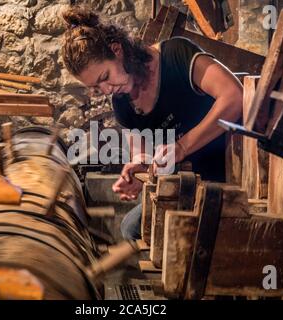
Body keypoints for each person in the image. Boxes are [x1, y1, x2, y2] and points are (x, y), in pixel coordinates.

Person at [61, 7, 243, 240]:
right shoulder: (123, 105)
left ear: (117, 50)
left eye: (105, 77)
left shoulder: (176, 55)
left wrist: (182, 147)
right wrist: (140, 173)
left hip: (231, 174)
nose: (106, 90)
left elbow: (234, 95)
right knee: (132, 229)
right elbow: (144, 158)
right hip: (188, 187)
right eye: (97, 88)